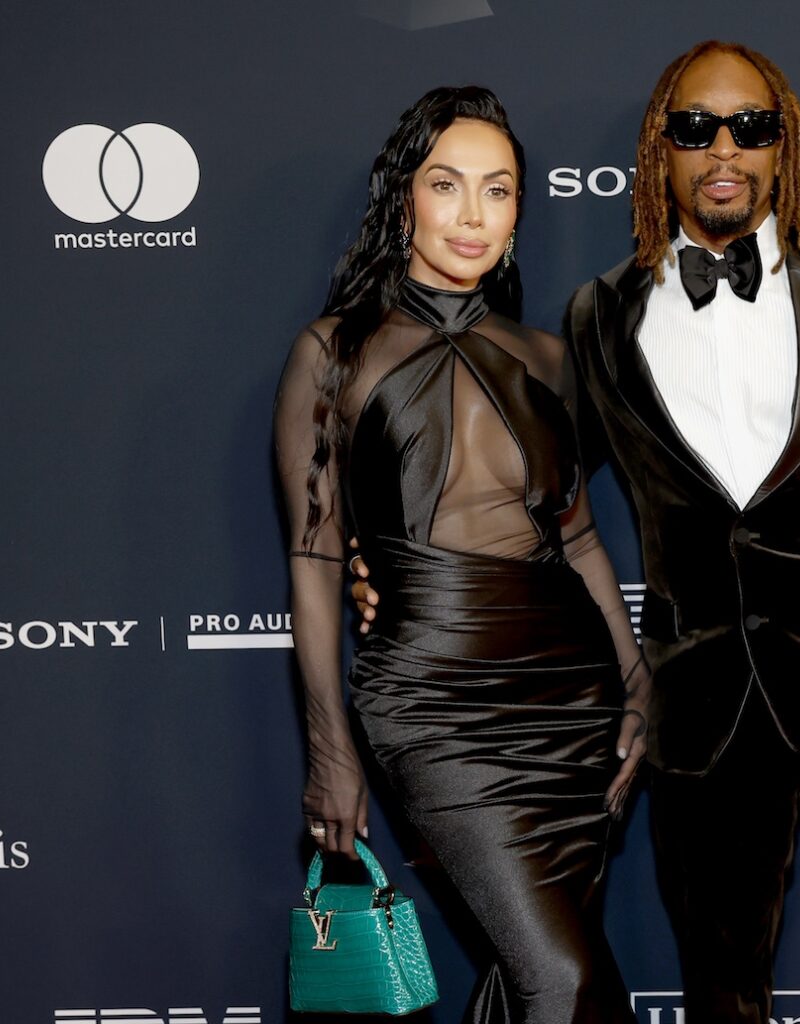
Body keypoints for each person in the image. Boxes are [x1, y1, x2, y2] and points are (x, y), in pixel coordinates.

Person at [354, 44, 800, 1023]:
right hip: (701, 711)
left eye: (751, 127)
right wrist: (400, 564)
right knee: (721, 994)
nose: (723, 149)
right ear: (658, 150)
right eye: (695, 126)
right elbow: (527, 489)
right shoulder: (599, 316)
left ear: (783, 145)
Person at [274, 85, 647, 1024]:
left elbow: (579, 537)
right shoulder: (333, 353)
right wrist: (331, 749)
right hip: (433, 703)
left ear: (519, 212)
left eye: (498, 189)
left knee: (538, 979)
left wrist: (637, 679)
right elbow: (315, 562)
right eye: (447, 185)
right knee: (563, 980)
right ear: (405, 198)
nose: (474, 214)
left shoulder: (548, 357)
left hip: (572, 702)